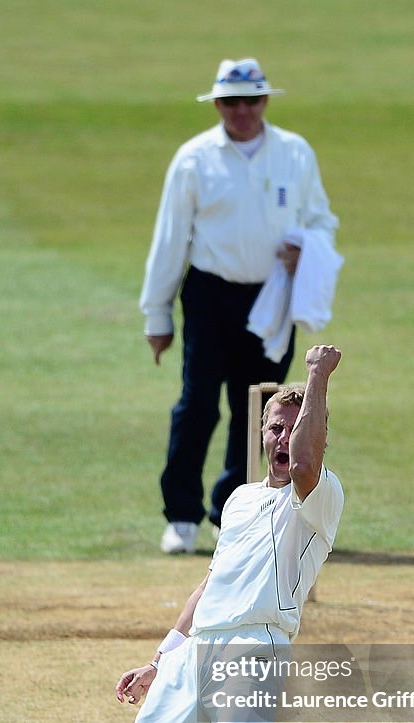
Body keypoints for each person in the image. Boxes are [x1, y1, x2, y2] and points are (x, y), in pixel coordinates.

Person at [113, 344, 354, 723]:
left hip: (256, 645)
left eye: (295, 427)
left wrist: (316, 377)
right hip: (197, 651)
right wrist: (158, 660)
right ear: (262, 432)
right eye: (276, 426)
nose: (283, 437)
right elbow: (210, 583)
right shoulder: (241, 500)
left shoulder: (319, 495)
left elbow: (304, 461)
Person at [140, 56, 339, 554]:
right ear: (218, 104)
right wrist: (157, 314)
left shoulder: (294, 153)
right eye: (231, 102)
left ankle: (232, 512)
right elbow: (170, 238)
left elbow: (321, 219)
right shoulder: (194, 158)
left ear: (265, 101)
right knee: (198, 403)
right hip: (209, 292)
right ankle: (181, 515)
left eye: (250, 101)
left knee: (261, 408)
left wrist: (305, 248)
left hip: (272, 293)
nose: (241, 111)